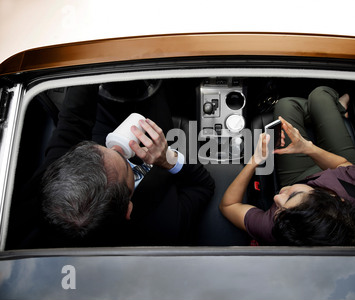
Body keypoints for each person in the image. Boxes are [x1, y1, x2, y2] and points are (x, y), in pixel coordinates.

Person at [9, 83, 215, 248]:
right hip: (160, 152)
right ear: (128, 208)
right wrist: (167, 158)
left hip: (100, 128)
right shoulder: (165, 227)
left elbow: (74, 120)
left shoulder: (47, 187)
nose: (119, 149)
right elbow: (203, 185)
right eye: (126, 167)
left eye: (96, 150)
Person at [220, 86, 355, 246]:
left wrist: (255, 159)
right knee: (320, 95)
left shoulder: (279, 227)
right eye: (291, 196)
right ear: (330, 196)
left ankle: (326, 110)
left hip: (302, 178)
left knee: (287, 105)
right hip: (342, 172)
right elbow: (341, 164)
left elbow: (229, 205)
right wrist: (307, 148)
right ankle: (336, 108)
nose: (277, 197)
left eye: (280, 210)